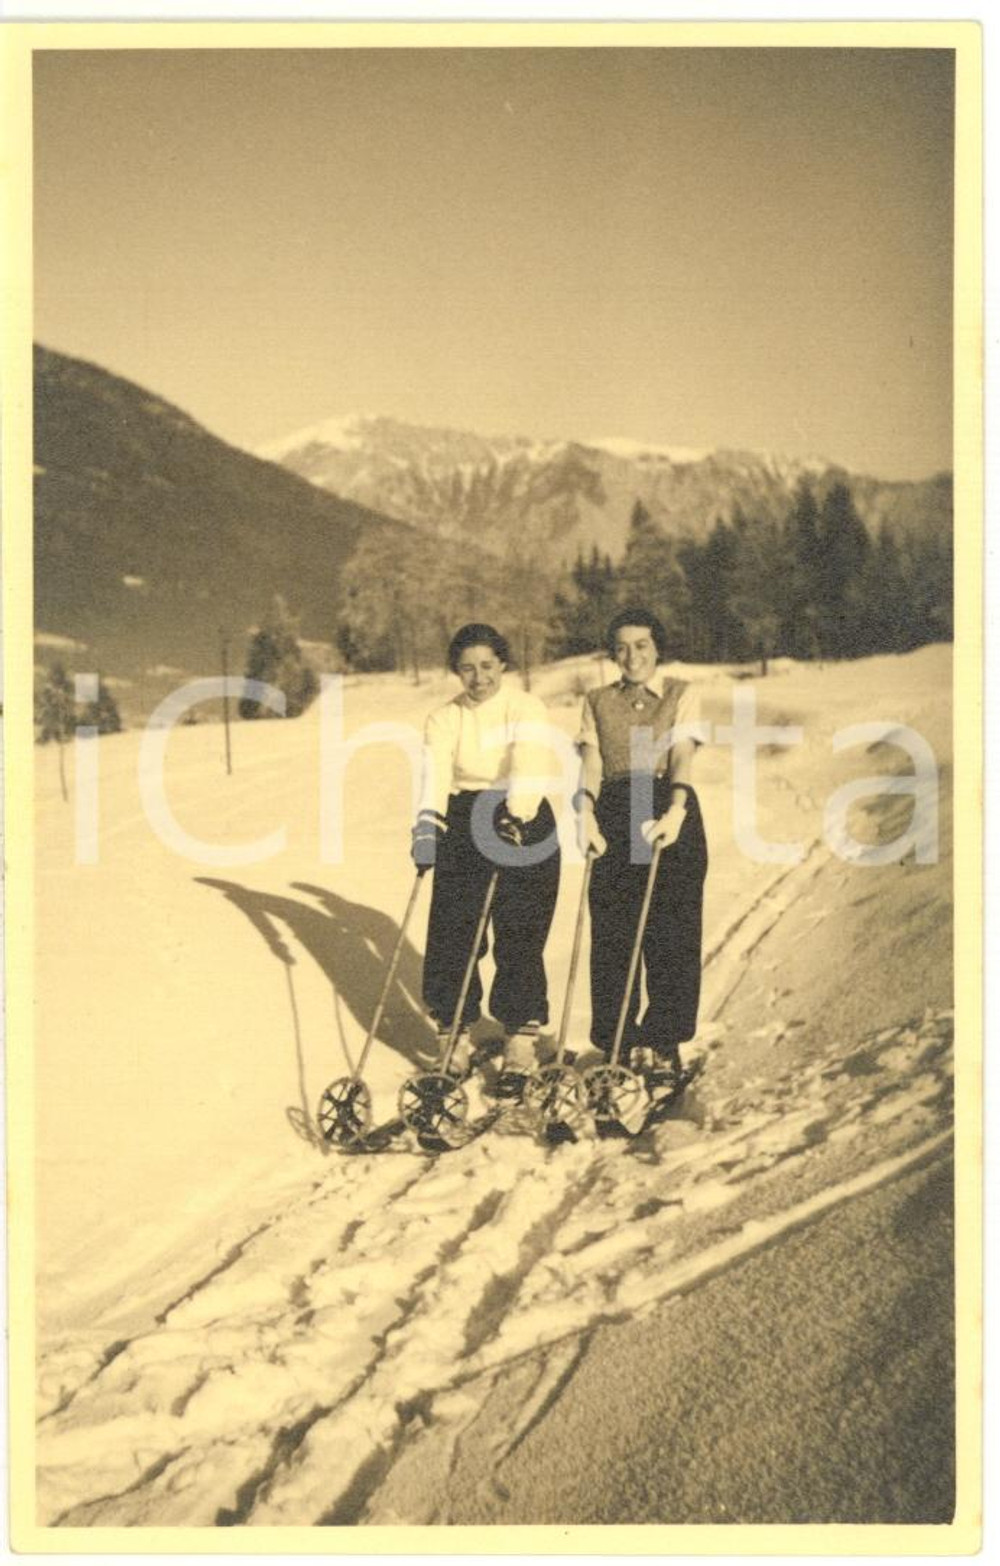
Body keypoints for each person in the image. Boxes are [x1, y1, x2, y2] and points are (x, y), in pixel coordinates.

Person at [411, 623, 561, 1080]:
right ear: (457, 672)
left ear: (502, 664)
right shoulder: (444, 718)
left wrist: (517, 811)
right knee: (454, 930)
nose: (478, 678)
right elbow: (435, 772)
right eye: (467, 669)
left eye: (487, 666)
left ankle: (520, 1034)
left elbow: (529, 759)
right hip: (464, 817)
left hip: (524, 814)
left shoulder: (525, 706)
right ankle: (453, 1032)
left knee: (519, 929)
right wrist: (426, 824)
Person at [575, 607, 708, 1077]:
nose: (632, 656)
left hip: (666, 806)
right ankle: (617, 1042)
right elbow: (592, 762)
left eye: (642, 645)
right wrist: (585, 811)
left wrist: (676, 808)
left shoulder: (680, 694)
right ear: (613, 653)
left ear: (658, 648)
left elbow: (682, 757)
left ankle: (664, 1040)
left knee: (671, 931)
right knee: (614, 933)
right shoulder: (595, 700)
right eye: (622, 647)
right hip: (614, 807)